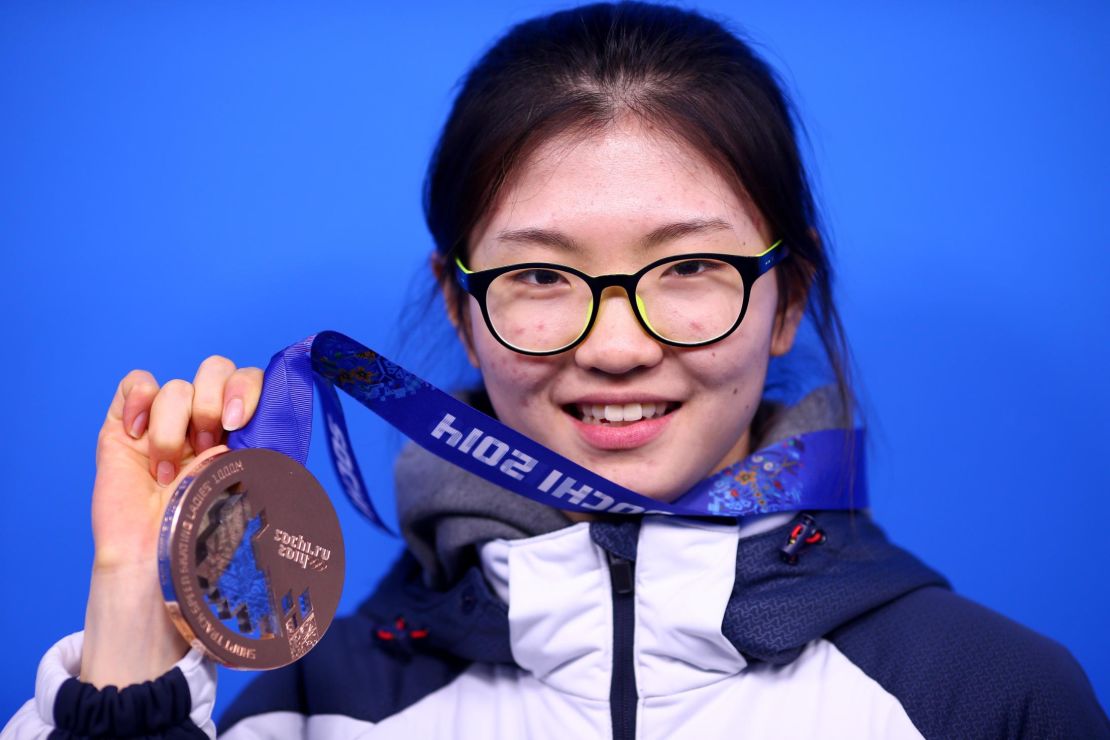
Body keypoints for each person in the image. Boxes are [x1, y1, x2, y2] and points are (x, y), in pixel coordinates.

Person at [4, 2, 1108, 738]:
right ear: (462, 307)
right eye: (540, 275)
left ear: (789, 303)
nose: (615, 344)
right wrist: (133, 628)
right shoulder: (314, 708)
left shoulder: (989, 696)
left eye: (689, 267)